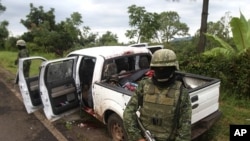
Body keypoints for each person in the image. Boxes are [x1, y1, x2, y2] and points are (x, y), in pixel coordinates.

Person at [123, 49, 192, 141]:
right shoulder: (144, 85)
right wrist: (138, 137)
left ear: (173, 68)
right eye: (158, 68)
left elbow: (185, 126)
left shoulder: (181, 91)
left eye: (165, 68)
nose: (161, 70)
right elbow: (128, 113)